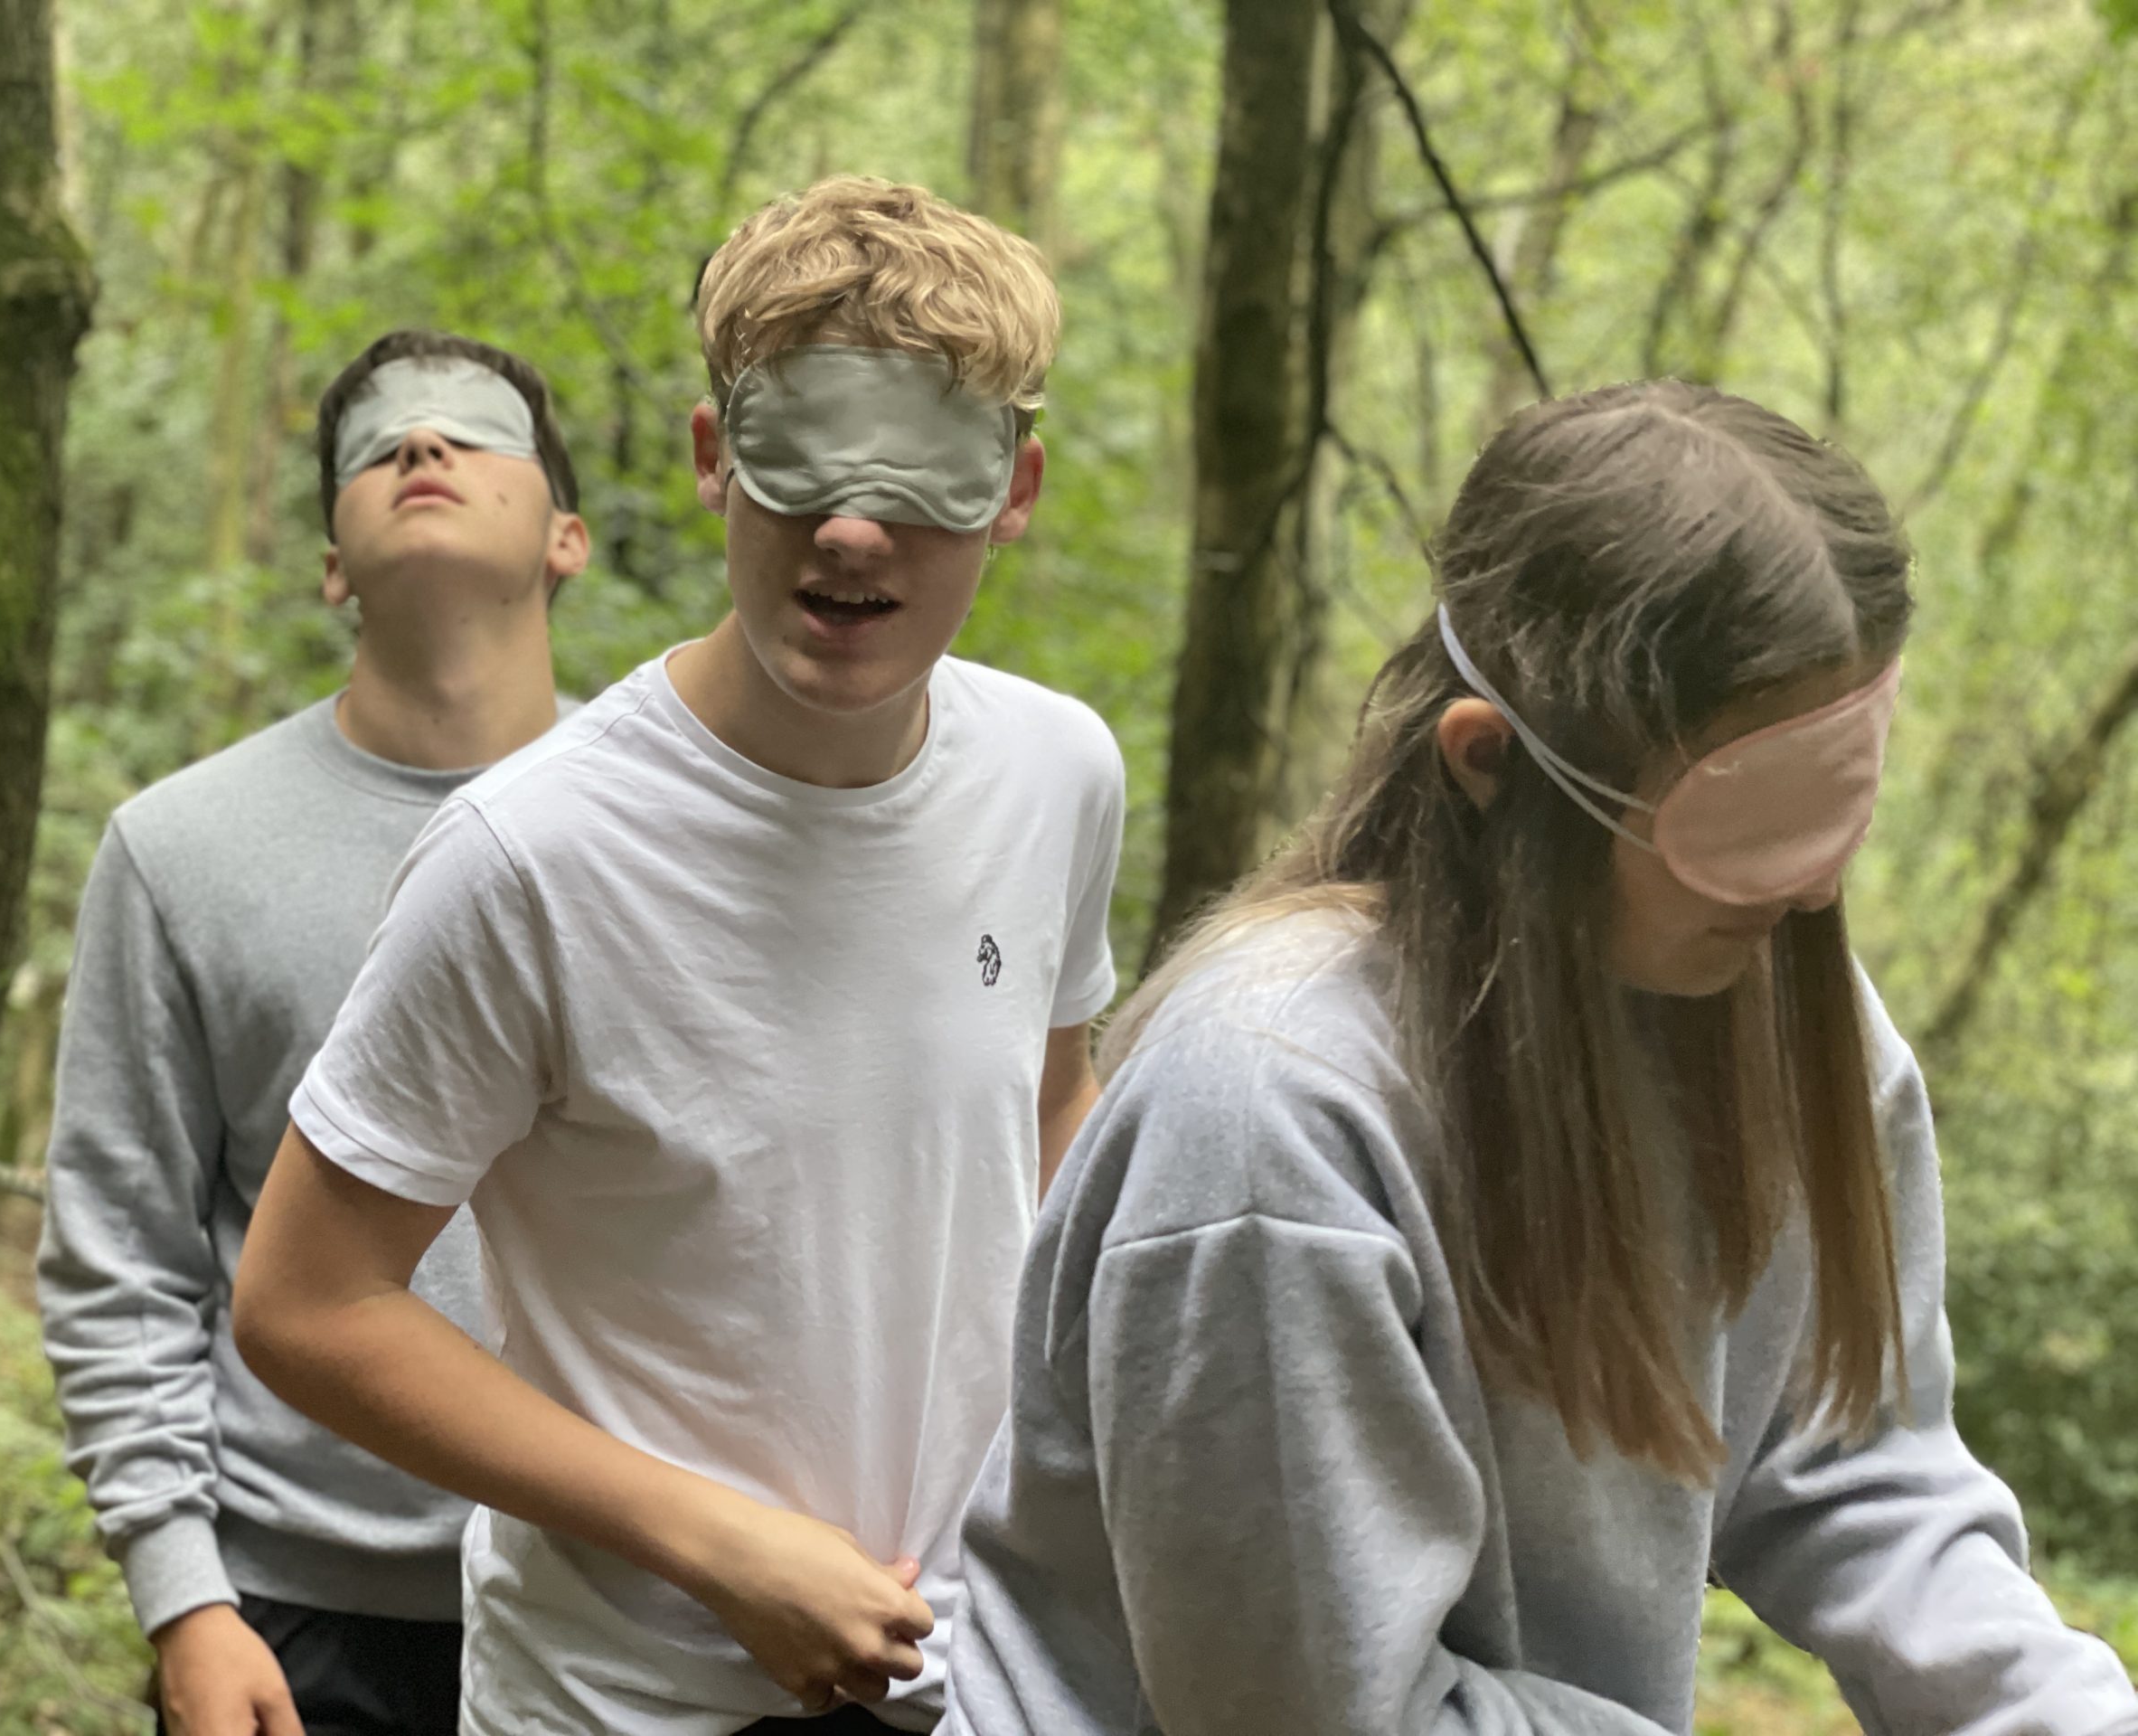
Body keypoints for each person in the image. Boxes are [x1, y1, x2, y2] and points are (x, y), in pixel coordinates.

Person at [940, 381, 2138, 1736]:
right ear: (1488, 765)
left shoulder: (1780, 1009)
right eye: (1750, 818)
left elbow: (1857, 1467)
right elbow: (1318, 1712)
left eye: (1836, 801)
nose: (1810, 889)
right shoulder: (1270, 1113)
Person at [227, 175, 1126, 1736]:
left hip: (974, 1672)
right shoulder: (528, 858)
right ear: (716, 458)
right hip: (620, 1694)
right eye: (801, 461)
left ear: (1015, 488)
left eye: (921, 474)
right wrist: (716, 1545)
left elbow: (1049, 1115)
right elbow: (307, 1303)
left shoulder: (1058, 775)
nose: (851, 529)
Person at [38, 329, 590, 1736]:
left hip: (626, 1605)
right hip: (291, 1623)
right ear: (334, 565)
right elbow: (120, 1251)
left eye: (473, 431)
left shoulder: (676, 826)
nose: (423, 446)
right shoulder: (181, 850)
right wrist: (184, 1602)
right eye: (377, 444)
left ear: (566, 539)